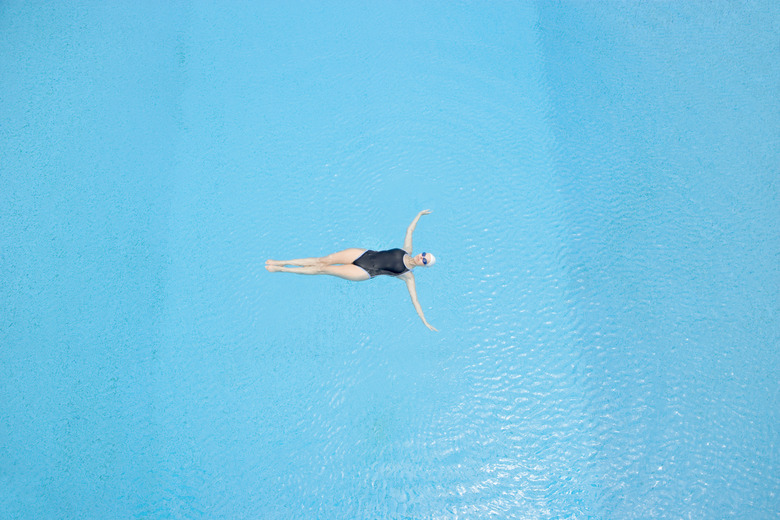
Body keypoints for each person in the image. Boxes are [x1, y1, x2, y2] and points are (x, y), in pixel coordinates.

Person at [266, 210, 438, 331]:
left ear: (424, 266)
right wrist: (419, 215)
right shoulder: (407, 249)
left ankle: (282, 270)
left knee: (324, 269)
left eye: (425, 260)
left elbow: (415, 300)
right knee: (322, 260)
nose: (421, 257)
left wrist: (424, 321)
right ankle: (281, 262)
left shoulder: (408, 276)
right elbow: (410, 230)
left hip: (366, 271)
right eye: (424, 255)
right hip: (364, 254)